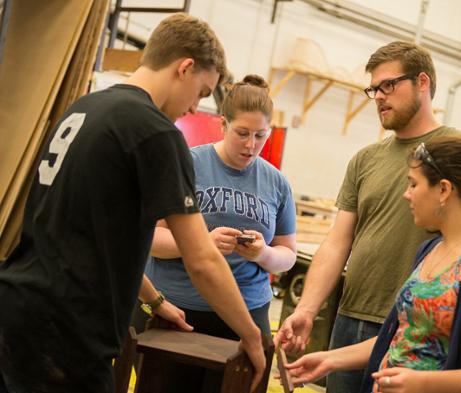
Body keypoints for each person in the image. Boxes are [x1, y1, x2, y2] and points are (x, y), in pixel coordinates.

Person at [0, 13, 266, 393]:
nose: (194, 108)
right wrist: (252, 335)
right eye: (202, 93)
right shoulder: (154, 131)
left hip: (17, 308)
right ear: (185, 67)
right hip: (66, 332)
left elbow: (88, 233)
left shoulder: (84, 109)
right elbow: (203, 260)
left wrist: (154, 300)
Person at [275, 41, 461, 392]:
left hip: (419, 325)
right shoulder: (365, 159)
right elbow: (338, 243)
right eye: (374, 89)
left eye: (389, 85)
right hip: (351, 317)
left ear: (423, 82)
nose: (379, 96)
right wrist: (307, 310)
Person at [285, 135, 461, 393]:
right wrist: (329, 359)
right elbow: (401, 336)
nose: (407, 194)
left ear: (444, 190)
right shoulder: (430, 249)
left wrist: (422, 383)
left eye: (414, 184)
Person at [143, 73, 296, 346]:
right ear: (223, 125)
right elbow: (150, 238)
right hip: (178, 307)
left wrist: (263, 253)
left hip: (247, 310)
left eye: (261, 135)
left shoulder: (277, 184)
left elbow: (288, 256)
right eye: (242, 133)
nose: (251, 145)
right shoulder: (186, 164)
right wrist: (201, 244)